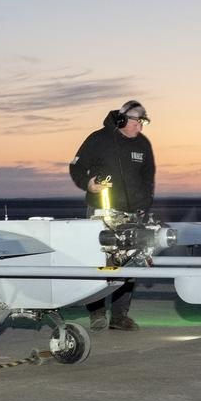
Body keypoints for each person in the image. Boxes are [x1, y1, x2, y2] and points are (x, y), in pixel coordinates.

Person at [68, 100, 156, 332]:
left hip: (132, 214)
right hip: (100, 212)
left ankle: (119, 316)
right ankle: (96, 311)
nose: (140, 127)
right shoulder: (98, 139)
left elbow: (148, 179)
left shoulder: (143, 145)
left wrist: (144, 208)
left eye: (143, 122)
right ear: (122, 119)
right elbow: (75, 167)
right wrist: (87, 184)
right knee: (98, 261)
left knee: (128, 264)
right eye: (138, 121)